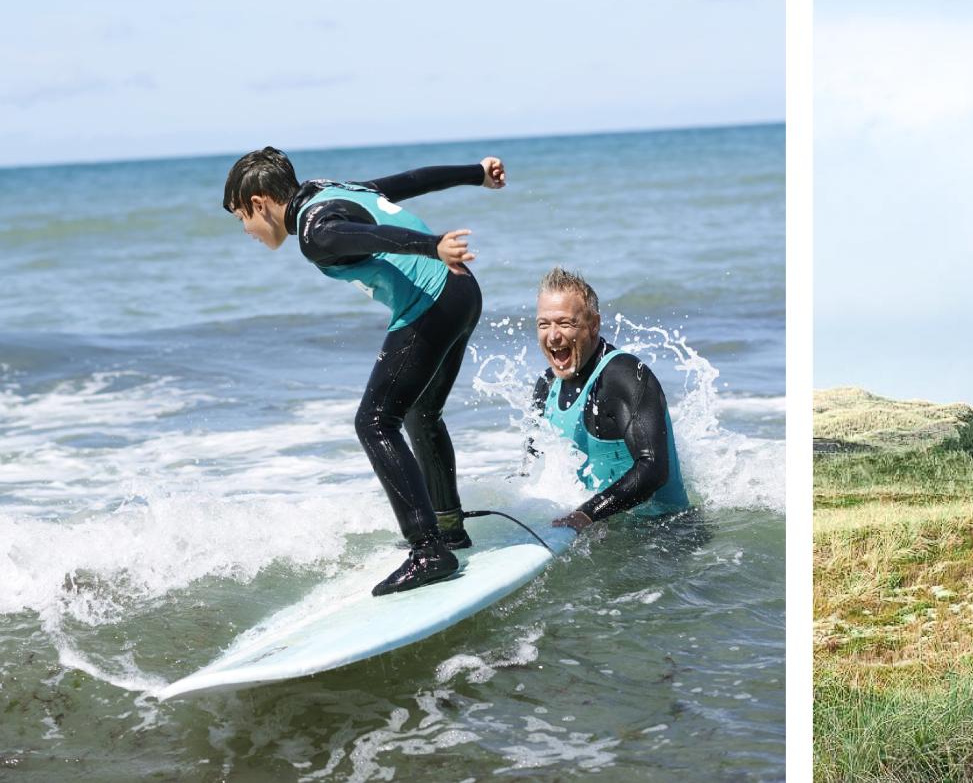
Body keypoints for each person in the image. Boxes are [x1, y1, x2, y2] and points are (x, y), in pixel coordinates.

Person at [222, 146, 506, 596]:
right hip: (462, 293)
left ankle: (429, 549)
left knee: (374, 422)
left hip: (430, 303)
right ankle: (448, 528)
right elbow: (411, 180)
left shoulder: (314, 231)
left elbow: (364, 237)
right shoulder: (330, 190)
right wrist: (476, 173)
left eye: (242, 218)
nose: (247, 231)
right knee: (420, 414)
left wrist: (429, 246)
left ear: (259, 203)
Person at [527, 267, 690, 529]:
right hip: (598, 529)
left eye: (565, 323)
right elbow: (532, 470)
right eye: (544, 324)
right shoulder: (547, 385)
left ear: (594, 325)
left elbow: (653, 468)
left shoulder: (623, 376)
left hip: (664, 532)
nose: (553, 335)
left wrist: (586, 514)